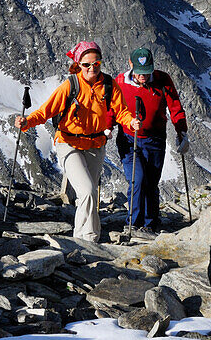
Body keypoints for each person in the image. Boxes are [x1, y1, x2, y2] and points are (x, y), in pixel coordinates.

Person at [15, 41, 139, 242]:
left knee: (87, 196)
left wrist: (131, 122)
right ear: (78, 65)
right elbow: (46, 111)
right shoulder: (70, 85)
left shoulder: (109, 85)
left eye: (96, 63)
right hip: (68, 144)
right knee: (88, 191)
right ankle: (89, 240)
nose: (92, 68)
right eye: (86, 65)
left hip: (96, 146)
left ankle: (79, 240)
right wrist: (27, 122)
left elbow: (121, 111)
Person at [115, 47, 188, 238]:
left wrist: (182, 132)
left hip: (155, 138)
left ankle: (151, 224)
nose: (143, 76)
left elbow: (175, 107)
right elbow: (112, 108)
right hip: (129, 139)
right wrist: (105, 130)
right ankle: (133, 223)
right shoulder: (120, 82)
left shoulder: (163, 79)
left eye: (147, 72)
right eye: (140, 72)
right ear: (131, 65)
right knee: (137, 179)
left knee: (151, 182)